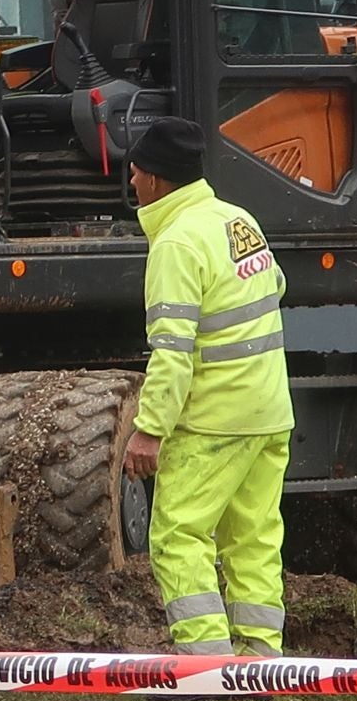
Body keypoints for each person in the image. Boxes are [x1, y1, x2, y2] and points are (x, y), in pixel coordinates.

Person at [120, 117, 294, 655]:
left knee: (177, 537)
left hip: (214, 420)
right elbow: (276, 288)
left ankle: (206, 665)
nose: (130, 180)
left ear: (155, 179)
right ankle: (261, 659)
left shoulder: (176, 242)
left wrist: (148, 430)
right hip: (268, 412)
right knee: (255, 538)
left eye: (136, 170)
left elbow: (172, 355)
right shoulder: (236, 221)